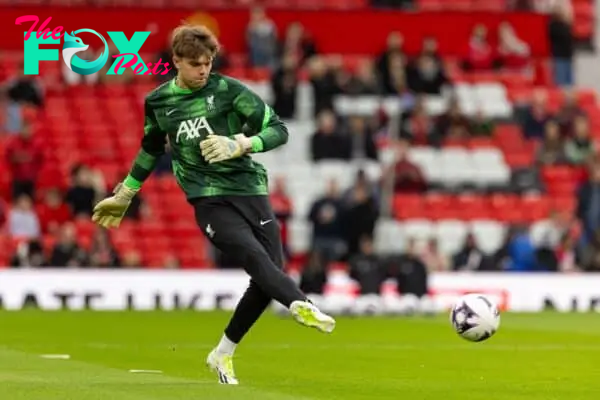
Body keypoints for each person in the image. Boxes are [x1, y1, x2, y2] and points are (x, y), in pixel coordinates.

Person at [90, 24, 335, 385]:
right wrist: (126, 192)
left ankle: (222, 354)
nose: (203, 70)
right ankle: (301, 304)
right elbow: (151, 148)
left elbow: (278, 129)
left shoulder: (228, 90)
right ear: (176, 61)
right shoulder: (159, 102)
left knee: (268, 279)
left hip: (249, 189)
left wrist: (241, 144)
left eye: (207, 63)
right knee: (255, 258)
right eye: (194, 64)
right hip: (207, 197)